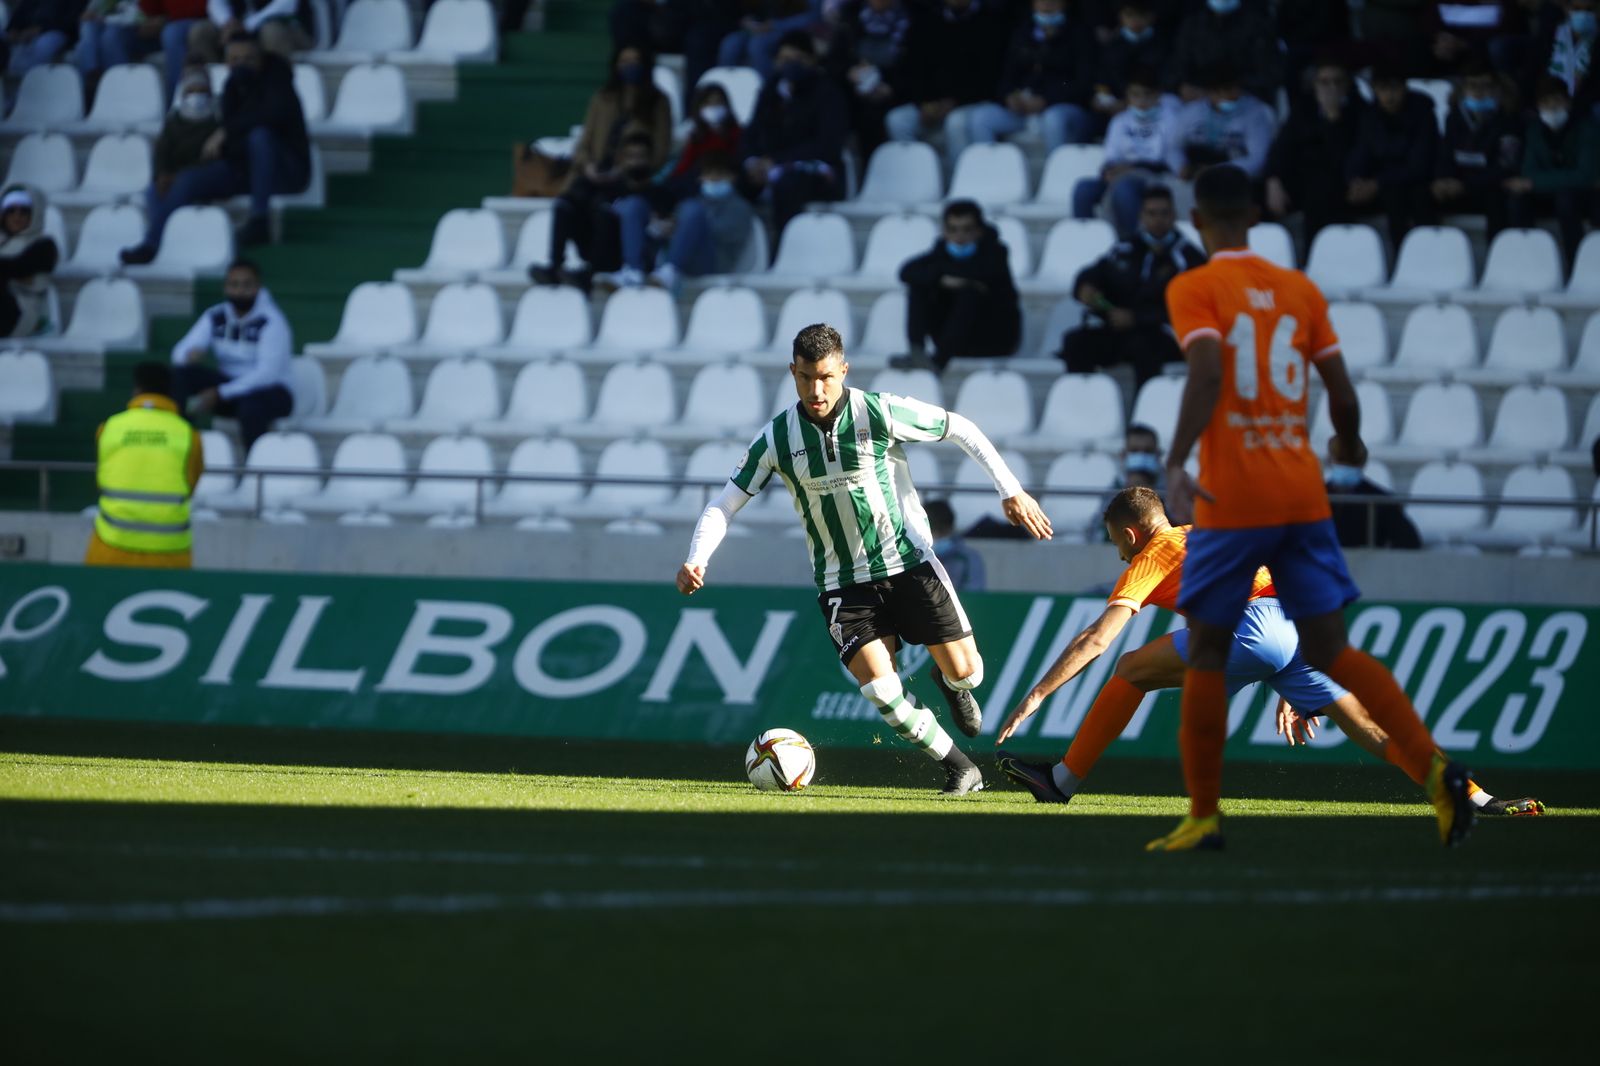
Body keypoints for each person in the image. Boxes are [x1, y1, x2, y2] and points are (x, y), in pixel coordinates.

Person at [1154, 162, 1476, 852]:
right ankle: (1436, 772)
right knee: (1333, 649)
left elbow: (1208, 371)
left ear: (1199, 221)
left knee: (1208, 650)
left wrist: (1177, 459)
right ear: (1256, 219)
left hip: (1233, 495)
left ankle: (1204, 815)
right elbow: (1342, 390)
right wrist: (1350, 442)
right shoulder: (1299, 289)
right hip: (1302, 490)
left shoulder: (1194, 285)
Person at [992, 487, 1543, 817]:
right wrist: (1285, 671)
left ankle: (1060, 781)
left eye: (1115, 542)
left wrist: (1039, 692)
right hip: (1295, 621)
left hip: (1250, 627)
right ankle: (1476, 799)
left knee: (1129, 667)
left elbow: (1097, 636)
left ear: (1132, 535)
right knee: (1375, 731)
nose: (1117, 554)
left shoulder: (1151, 557)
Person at [676, 323, 1053, 794]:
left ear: (844, 370)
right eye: (807, 377)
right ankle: (960, 767)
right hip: (841, 582)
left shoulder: (877, 411)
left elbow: (962, 428)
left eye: (827, 377)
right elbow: (724, 503)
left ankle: (951, 683)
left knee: (968, 671)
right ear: (792, 372)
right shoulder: (777, 438)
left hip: (909, 563)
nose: (817, 389)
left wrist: (1011, 491)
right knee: (879, 687)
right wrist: (698, 558)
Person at [120, 31, 310, 260]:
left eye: (249, 59)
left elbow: (272, 114)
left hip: (285, 171)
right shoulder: (232, 86)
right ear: (226, 62)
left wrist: (227, 131)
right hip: (244, 169)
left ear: (261, 57)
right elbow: (231, 141)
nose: (242, 65)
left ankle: (260, 219)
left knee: (260, 136)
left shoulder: (278, 79)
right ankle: (151, 244)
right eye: (235, 60)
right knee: (187, 180)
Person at [1059, 185, 1204, 389]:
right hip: (1119, 330)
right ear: (1141, 216)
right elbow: (1094, 273)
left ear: (1174, 216)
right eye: (1151, 213)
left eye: (1164, 213)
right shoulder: (1125, 248)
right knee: (1075, 342)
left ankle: (1143, 413)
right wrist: (1085, 287)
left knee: (1144, 347)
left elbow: (1190, 310)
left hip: (1162, 334)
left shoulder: (1189, 258)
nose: (1157, 220)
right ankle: (1083, 410)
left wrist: (1137, 318)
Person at [85, 362, 205, 570]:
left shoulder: (109, 428)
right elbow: (190, 485)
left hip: (111, 545)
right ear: (170, 393)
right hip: (170, 551)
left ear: (137, 390)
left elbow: (103, 479)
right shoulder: (188, 435)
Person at [168, 258, 294, 453]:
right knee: (181, 375)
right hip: (229, 389)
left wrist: (220, 393)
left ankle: (255, 467)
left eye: (247, 285)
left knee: (250, 408)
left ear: (257, 287)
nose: (240, 290)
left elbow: (267, 374)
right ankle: (179, 445)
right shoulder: (216, 315)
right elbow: (179, 352)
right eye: (234, 284)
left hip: (272, 392)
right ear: (226, 287)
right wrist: (188, 356)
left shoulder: (272, 322)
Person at [740, 31, 848, 239]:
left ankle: (785, 246)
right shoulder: (771, 90)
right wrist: (752, 162)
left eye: (797, 60)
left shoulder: (828, 93)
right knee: (736, 180)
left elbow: (828, 145)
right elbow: (751, 133)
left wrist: (778, 161)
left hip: (816, 170)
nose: (789, 65)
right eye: (784, 60)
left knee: (788, 185)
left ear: (812, 60)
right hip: (769, 165)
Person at [890, 199, 1021, 371]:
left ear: (979, 231)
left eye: (967, 229)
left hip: (993, 339)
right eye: (953, 229)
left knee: (969, 292)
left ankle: (938, 363)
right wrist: (941, 279)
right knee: (919, 287)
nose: (959, 236)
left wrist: (948, 277)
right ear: (944, 231)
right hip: (953, 339)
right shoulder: (941, 252)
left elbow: (982, 273)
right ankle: (917, 352)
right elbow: (906, 272)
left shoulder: (996, 253)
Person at [882, 0, 1009, 164]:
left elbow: (990, 75)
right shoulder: (927, 21)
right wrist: (924, 103)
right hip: (931, 103)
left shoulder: (989, 21)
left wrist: (955, 102)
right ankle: (917, 179)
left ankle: (960, 182)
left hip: (971, 102)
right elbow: (914, 69)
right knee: (898, 119)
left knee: (955, 122)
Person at [964, 0, 1097, 153]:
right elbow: (1006, 76)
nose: (1046, 5)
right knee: (982, 118)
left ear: (1065, 3)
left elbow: (1083, 83)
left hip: (1062, 108)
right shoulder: (1022, 32)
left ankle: (1056, 174)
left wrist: (1046, 100)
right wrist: (1009, 97)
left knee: (1053, 120)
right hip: (1024, 108)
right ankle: (988, 174)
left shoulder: (1080, 33)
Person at [1072, 67, 1185, 236]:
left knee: (1125, 187)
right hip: (1122, 174)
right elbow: (1110, 157)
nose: (1141, 101)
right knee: (1083, 189)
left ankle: (1130, 243)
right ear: (1128, 96)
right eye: (1135, 95)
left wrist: (1132, 169)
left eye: (1147, 95)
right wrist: (1109, 172)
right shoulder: (1120, 121)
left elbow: (1169, 163)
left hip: (1156, 177)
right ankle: (1087, 241)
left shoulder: (1171, 119)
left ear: (1158, 95)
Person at [1265, 59, 1367, 243]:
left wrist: (1333, 118)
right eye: (1325, 82)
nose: (1331, 88)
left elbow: (1353, 155)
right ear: (1315, 85)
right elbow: (1282, 147)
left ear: (1347, 85)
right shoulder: (1303, 109)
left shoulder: (1360, 112)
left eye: (1337, 81)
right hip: (1303, 177)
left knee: (1323, 186)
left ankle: (1315, 254)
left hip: (1343, 180)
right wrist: (1274, 179)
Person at [1509, 76, 1599, 266]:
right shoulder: (1534, 130)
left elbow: (1585, 176)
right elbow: (1528, 171)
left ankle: (1576, 262)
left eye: (1557, 100)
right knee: (1517, 199)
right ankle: (1527, 261)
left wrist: (1536, 182)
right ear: (1538, 106)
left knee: (1566, 199)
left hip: (1583, 196)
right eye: (1545, 102)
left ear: (1568, 101)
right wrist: (1537, 181)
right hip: (1547, 193)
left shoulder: (1587, 129)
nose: (1552, 107)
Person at [1346, 66, 1440, 244]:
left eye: (1394, 88)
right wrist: (1354, 179)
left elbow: (1420, 165)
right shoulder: (1370, 117)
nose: (1389, 95)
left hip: (1416, 183)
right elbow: (1361, 152)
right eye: (1383, 89)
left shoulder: (1423, 113)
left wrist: (1378, 182)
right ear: (1374, 90)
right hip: (1385, 183)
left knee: (1407, 195)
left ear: (1404, 88)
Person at [1431, 62, 1523, 240]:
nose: (1478, 91)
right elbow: (1445, 154)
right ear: (1463, 88)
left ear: (1497, 89)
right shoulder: (1454, 117)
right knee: (1422, 193)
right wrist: (1442, 179)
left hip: (1489, 185)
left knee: (1498, 198)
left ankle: (1497, 256)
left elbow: (1506, 165)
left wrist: (1465, 184)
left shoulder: (1509, 120)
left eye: (1485, 86)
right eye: (1472, 85)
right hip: (1458, 183)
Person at [651, 150, 755, 288]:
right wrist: (668, 229)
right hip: (687, 256)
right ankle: (637, 270)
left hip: (716, 262)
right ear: (700, 178)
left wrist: (689, 226)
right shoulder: (693, 203)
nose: (713, 179)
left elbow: (729, 234)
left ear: (733, 177)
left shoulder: (740, 207)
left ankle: (669, 270)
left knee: (691, 209)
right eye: (709, 174)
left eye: (720, 175)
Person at [825, 0, 913, 158]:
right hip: (857, 98)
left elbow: (922, 66)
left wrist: (892, 88)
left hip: (900, 94)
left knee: (890, 117)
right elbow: (832, 63)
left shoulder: (912, 17)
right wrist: (849, 71)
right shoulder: (851, 17)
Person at [73, 0, 206, 102]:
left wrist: (163, 20)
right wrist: (147, 19)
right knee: (111, 37)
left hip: (183, 23)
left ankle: (175, 98)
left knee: (171, 34)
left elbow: (202, 8)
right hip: (144, 26)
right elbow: (147, 9)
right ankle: (120, 96)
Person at [144, 69, 223, 238]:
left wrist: (178, 177)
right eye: (192, 91)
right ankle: (162, 235)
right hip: (172, 177)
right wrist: (162, 175)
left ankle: (157, 239)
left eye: (202, 91)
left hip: (199, 179)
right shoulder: (173, 122)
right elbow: (162, 152)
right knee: (153, 191)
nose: (197, 96)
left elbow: (214, 159)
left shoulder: (218, 121)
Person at [1173, 64, 1277, 183]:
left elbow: (1258, 158)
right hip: (1195, 175)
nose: (1233, 94)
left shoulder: (1255, 112)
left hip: (1236, 179)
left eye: (1235, 88)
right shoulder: (1192, 112)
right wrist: (1180, 166)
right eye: (1225, 90)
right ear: (1211, 92)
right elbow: (1173, 147)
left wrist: (1217, 171)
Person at [1168, 0, 1283, 103]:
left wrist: (1236, 89)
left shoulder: (1258, 25)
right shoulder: (1193, 25)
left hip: (1246, 102)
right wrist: (1181, 86)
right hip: (1201, 101)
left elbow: (1271, 73)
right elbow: (1178, 66)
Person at [0, 185, 61, 340]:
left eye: (24, 211)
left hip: (21, 311)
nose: (17, 216)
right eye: (11, 210)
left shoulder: (44, 245)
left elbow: (19, 267)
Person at [1092, 1, 1173, 114]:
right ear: (1120, 16)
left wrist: (1135, 100)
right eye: (1129, 14)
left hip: (1154, 103)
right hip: (1119, 106)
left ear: (1151, 16)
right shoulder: (1112, 47)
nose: (1135, 20)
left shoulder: (1164, 43)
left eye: (1141, 14)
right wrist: (1106, 97)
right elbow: (1103, 82)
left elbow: (1168, 79)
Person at [1326, 460, 1421, 550]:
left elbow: (1409, 542)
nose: (1344, 466)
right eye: (1340, 459)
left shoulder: (1382, 502)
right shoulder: (1315, 497)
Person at [189, 0, 314, 64]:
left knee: (272, 33)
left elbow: (288, 4)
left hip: (287, 25)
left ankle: (278, 90)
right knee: (200, 32)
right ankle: (213, 90)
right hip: (239, 24)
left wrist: (248, 25)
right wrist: (228, 23)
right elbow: (215, 3)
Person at [718, 0, 820, 78]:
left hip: (787, 30)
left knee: (757, 45)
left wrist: (775, 25)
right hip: (758, 28)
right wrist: (748, 21)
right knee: (730, 43)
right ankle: (724, 90)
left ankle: (766, 89)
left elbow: (812, 18)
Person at [669, 82, 743, 187]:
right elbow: (684, 167)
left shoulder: (737, 134)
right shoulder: (697, 136)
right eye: (708, 103)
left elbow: (741, 165)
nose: (713, 107)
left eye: (718, 102)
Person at [4, 0, 81, 76]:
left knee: (42, 45)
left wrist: (40, 29)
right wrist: (13, 29)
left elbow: (70, 20)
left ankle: (36, 79)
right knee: (15, 54)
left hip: (57, 31)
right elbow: (21, 11)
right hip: (27, 32)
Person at [924, 498, 986, 590]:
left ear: (949, 528)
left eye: (941, 532)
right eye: (933, 531)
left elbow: (975, 595)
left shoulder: (970, 558)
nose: (936, 536)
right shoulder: (916, 558)